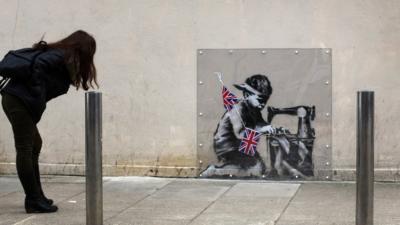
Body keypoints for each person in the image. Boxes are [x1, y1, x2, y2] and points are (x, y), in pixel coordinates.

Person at [0, 30, 97, 213]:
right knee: (25, 148)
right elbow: (37, 66)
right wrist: (37, 96)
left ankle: (37, 195)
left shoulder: (63, 57)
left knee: (35, 144)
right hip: (18, 101)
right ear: (82, 48)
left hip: (17, 99)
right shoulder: (59, 56)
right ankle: (33, 200)